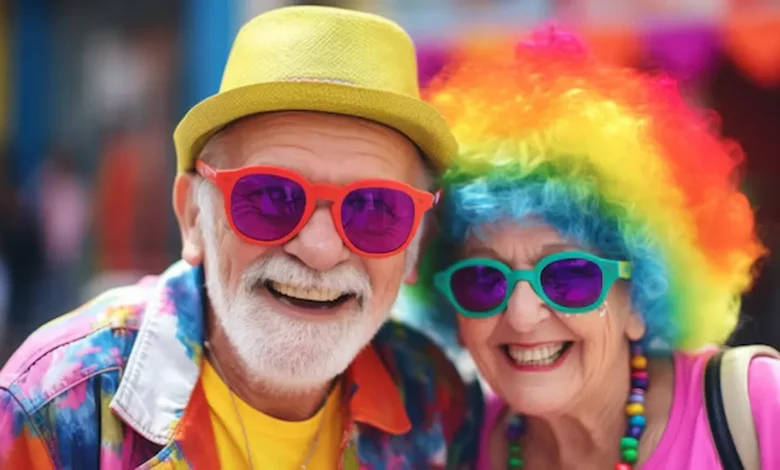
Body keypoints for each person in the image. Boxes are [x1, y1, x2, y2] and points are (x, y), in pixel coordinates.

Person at [0, 7, 480, 469]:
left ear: (416, 242)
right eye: (272, 198)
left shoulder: (435, 402)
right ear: (193, 217)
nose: (319, 249)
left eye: (375, 209)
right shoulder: (53, 407)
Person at [405, 28, 780, 469]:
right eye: (484, 281)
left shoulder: (755, 408)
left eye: (568, 276)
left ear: (639, 297)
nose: (523, 316)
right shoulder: (456, 447)